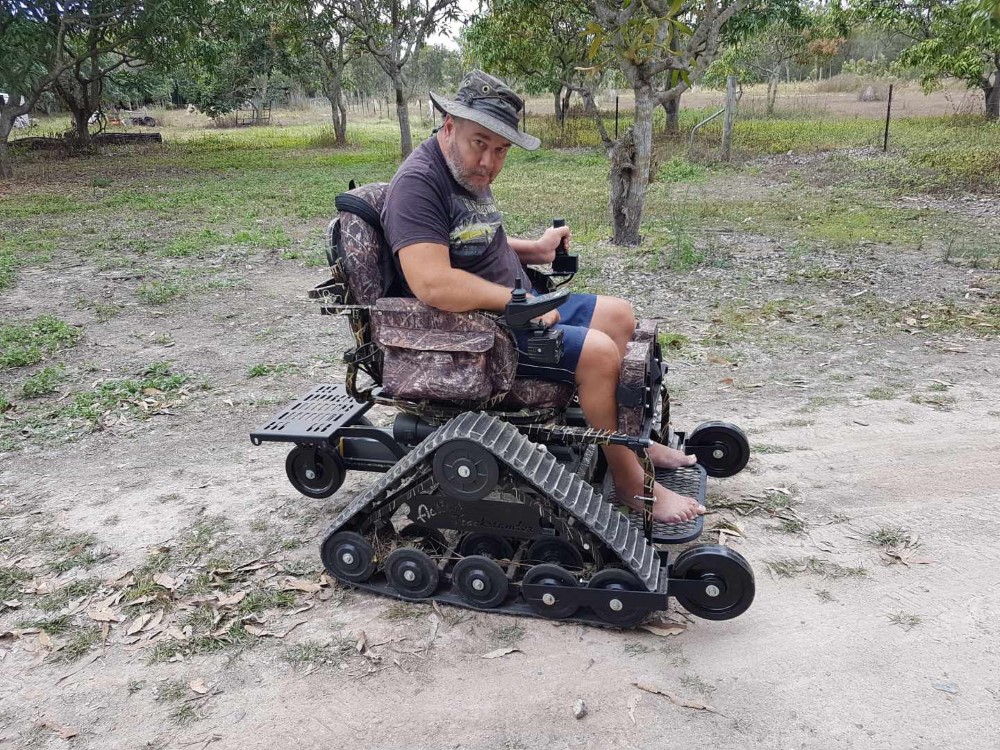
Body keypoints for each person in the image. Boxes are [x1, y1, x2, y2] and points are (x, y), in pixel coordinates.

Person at [381, 70, 704, 525]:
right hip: (479, 334)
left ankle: (631, 438)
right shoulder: (419, 184)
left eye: (501, 150)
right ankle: (633, 485)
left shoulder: (464, 169)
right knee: (598, 354)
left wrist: (534, 249)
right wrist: (519, 305)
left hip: (517, 303)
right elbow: (432, 282)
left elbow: (471, 238)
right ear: (449, 125)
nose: (490, 162)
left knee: (619, 316)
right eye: (481, 143)